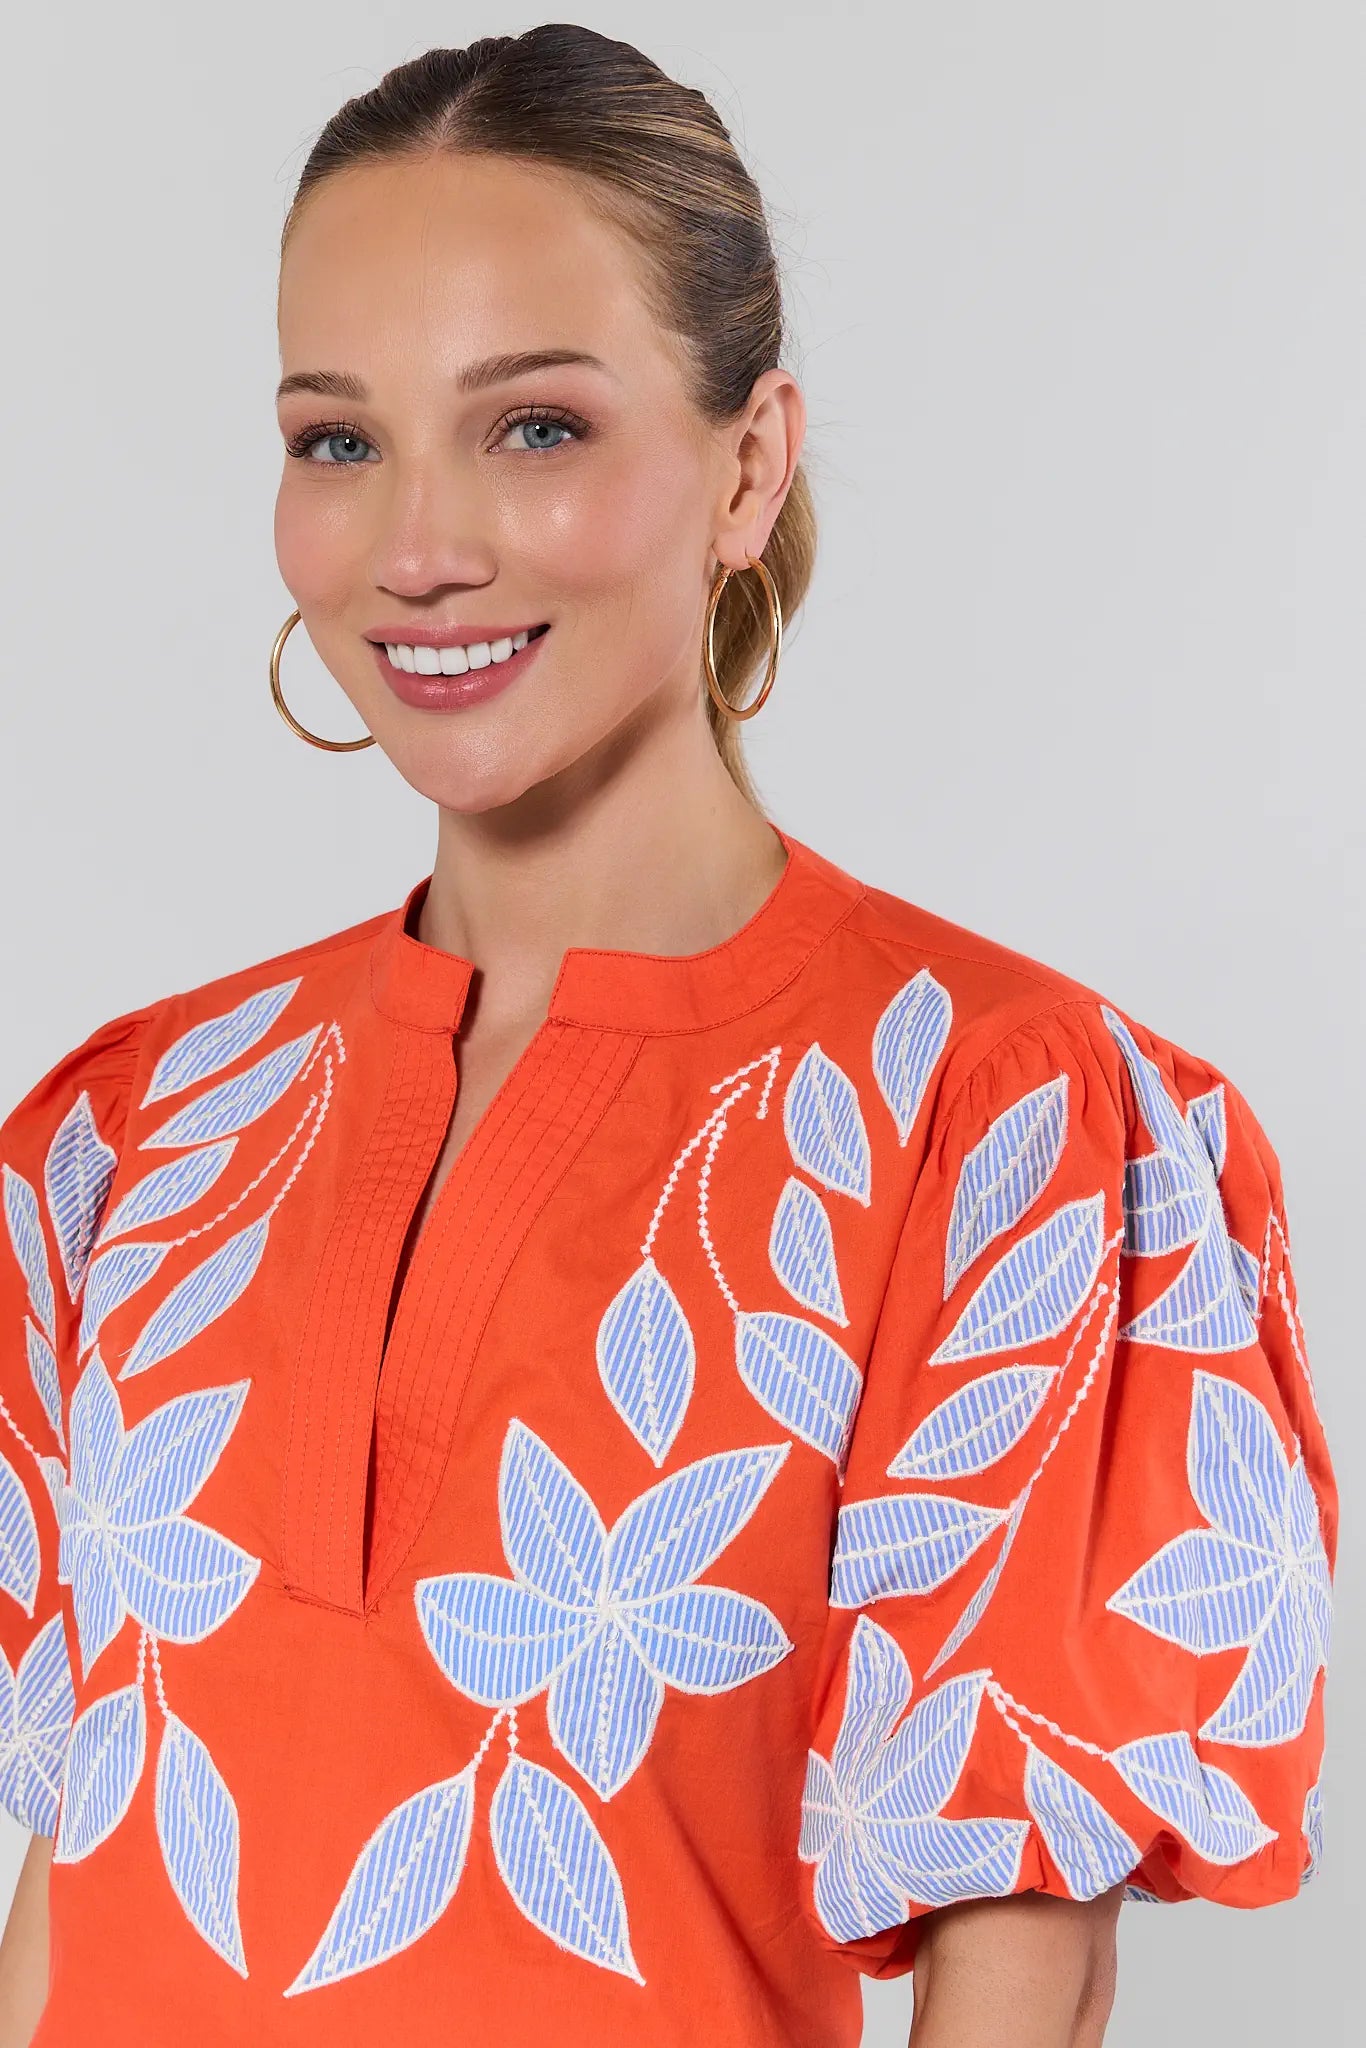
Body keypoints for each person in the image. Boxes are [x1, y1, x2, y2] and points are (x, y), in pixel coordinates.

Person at [0, 23, 1336, 2048]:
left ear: (745, 462)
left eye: (530, 425)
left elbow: (1014, 1957)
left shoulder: (996, 1118)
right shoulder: (133, 1132)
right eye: (335, 439)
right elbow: (80, 1864)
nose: (415, 545)